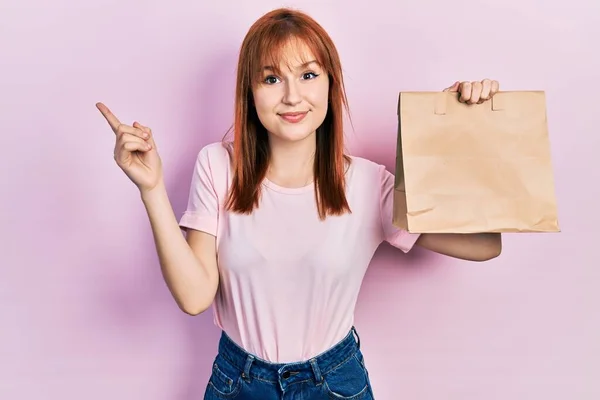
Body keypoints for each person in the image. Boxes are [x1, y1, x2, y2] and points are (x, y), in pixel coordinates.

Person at [96, 7, 502, 400]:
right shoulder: (217, 166)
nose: (292, 96)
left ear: (330, 84)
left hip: (334, 383)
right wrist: (151, 188)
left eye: (308, 75)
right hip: (239, 382)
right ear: (250, 92)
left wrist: (458, 129)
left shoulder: (367, 184)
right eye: (271, 79)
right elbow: (194, 296)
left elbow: (485, 244)